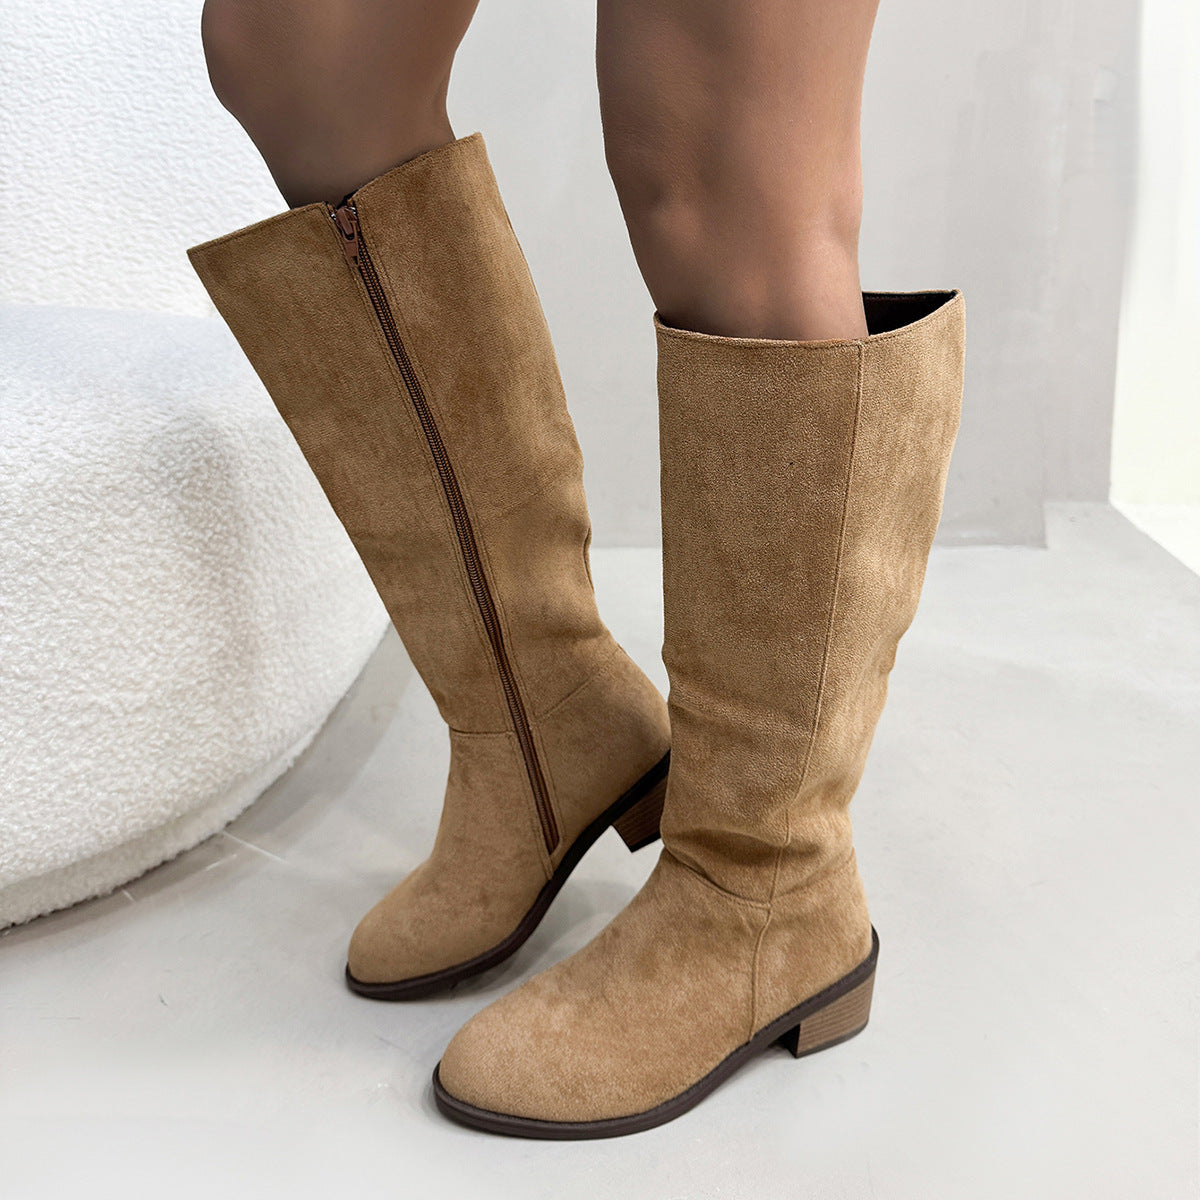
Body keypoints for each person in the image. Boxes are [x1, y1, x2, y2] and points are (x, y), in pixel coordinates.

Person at [188, 0, 965, 1138]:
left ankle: (765, 885)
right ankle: (540, 719)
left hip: (766, 873)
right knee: (297, 56)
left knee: (715, 144)